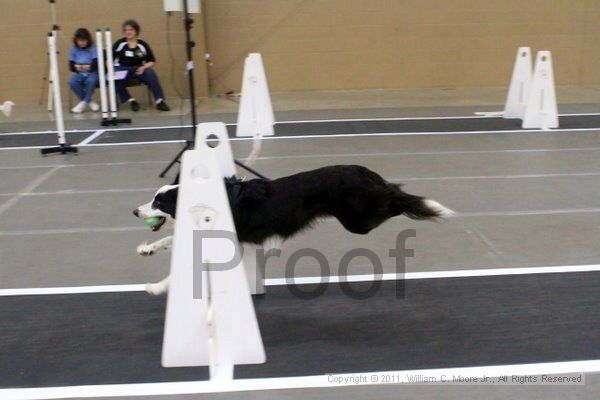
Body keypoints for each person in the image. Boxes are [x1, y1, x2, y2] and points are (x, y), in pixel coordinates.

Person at [112, 20, 170, 112]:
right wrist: (111, 69)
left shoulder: (142, 44)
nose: (128, 32)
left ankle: (160, 101)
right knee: (114, 78)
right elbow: (109, 59)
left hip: (138, 69)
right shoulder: (120, 43)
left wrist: (144, 67)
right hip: (122, 69)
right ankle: (132, 101)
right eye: (126, 30)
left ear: (136, 31)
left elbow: (152, 61)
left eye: (131, 29)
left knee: (150, 73)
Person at [68, 28, 100, 113]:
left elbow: (95, 63)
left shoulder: (93, 47)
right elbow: (71, 66)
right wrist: (77, 68)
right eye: (79, 41)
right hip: (80, 73)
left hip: (92, 72)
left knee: (91, 80)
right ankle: (89, 101)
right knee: (72, 81)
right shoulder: (73, 49)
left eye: (83, 40)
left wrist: (87, 67)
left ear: (88, 40)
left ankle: (83, 103)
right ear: (76, 41)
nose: (81, 43)